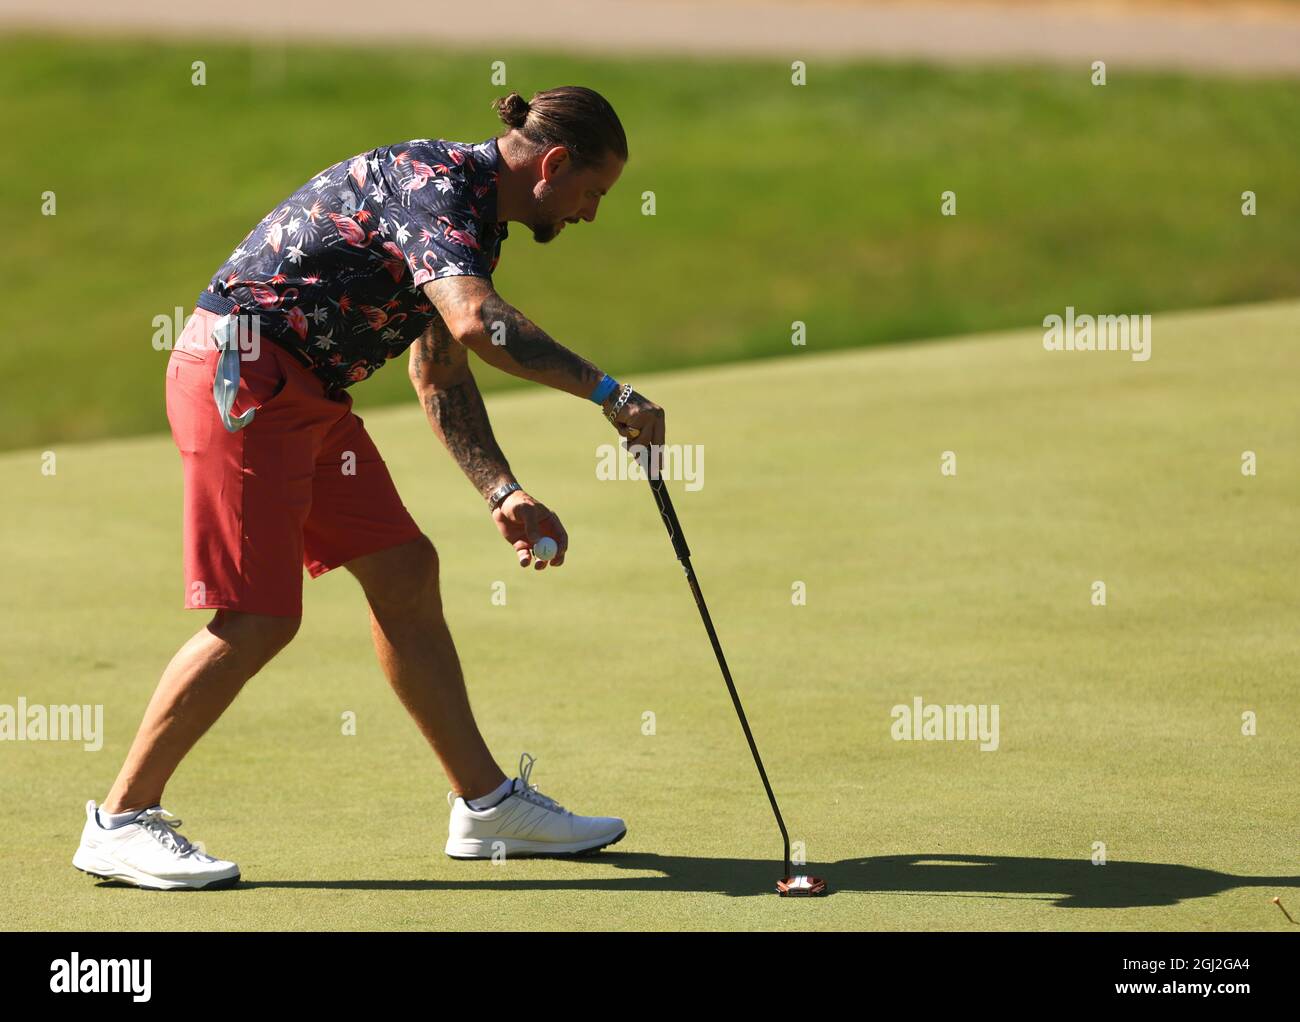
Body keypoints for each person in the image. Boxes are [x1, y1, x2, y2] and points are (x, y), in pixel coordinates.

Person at [73, 86, 665, 890]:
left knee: (404, 570)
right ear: (553, 164)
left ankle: (486, 806)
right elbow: (474, 324)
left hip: (305, 392)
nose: (593, 212)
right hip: (243, 378)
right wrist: (612, 396)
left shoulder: (470, 221)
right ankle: (121, 820)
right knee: (257, 618)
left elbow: (437, 367)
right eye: (594, 191)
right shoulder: (436, 184)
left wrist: (501, 491)